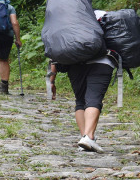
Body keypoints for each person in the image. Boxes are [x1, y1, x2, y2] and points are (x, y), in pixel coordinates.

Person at [46, 9, 116, 153]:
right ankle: (88, 137)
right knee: (94, 98)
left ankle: (84, 138)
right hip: (102, 61)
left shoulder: (67, 18)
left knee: (81, 100)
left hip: (74, 64)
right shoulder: (102, 14)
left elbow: (55, 50)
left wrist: (51, 80)